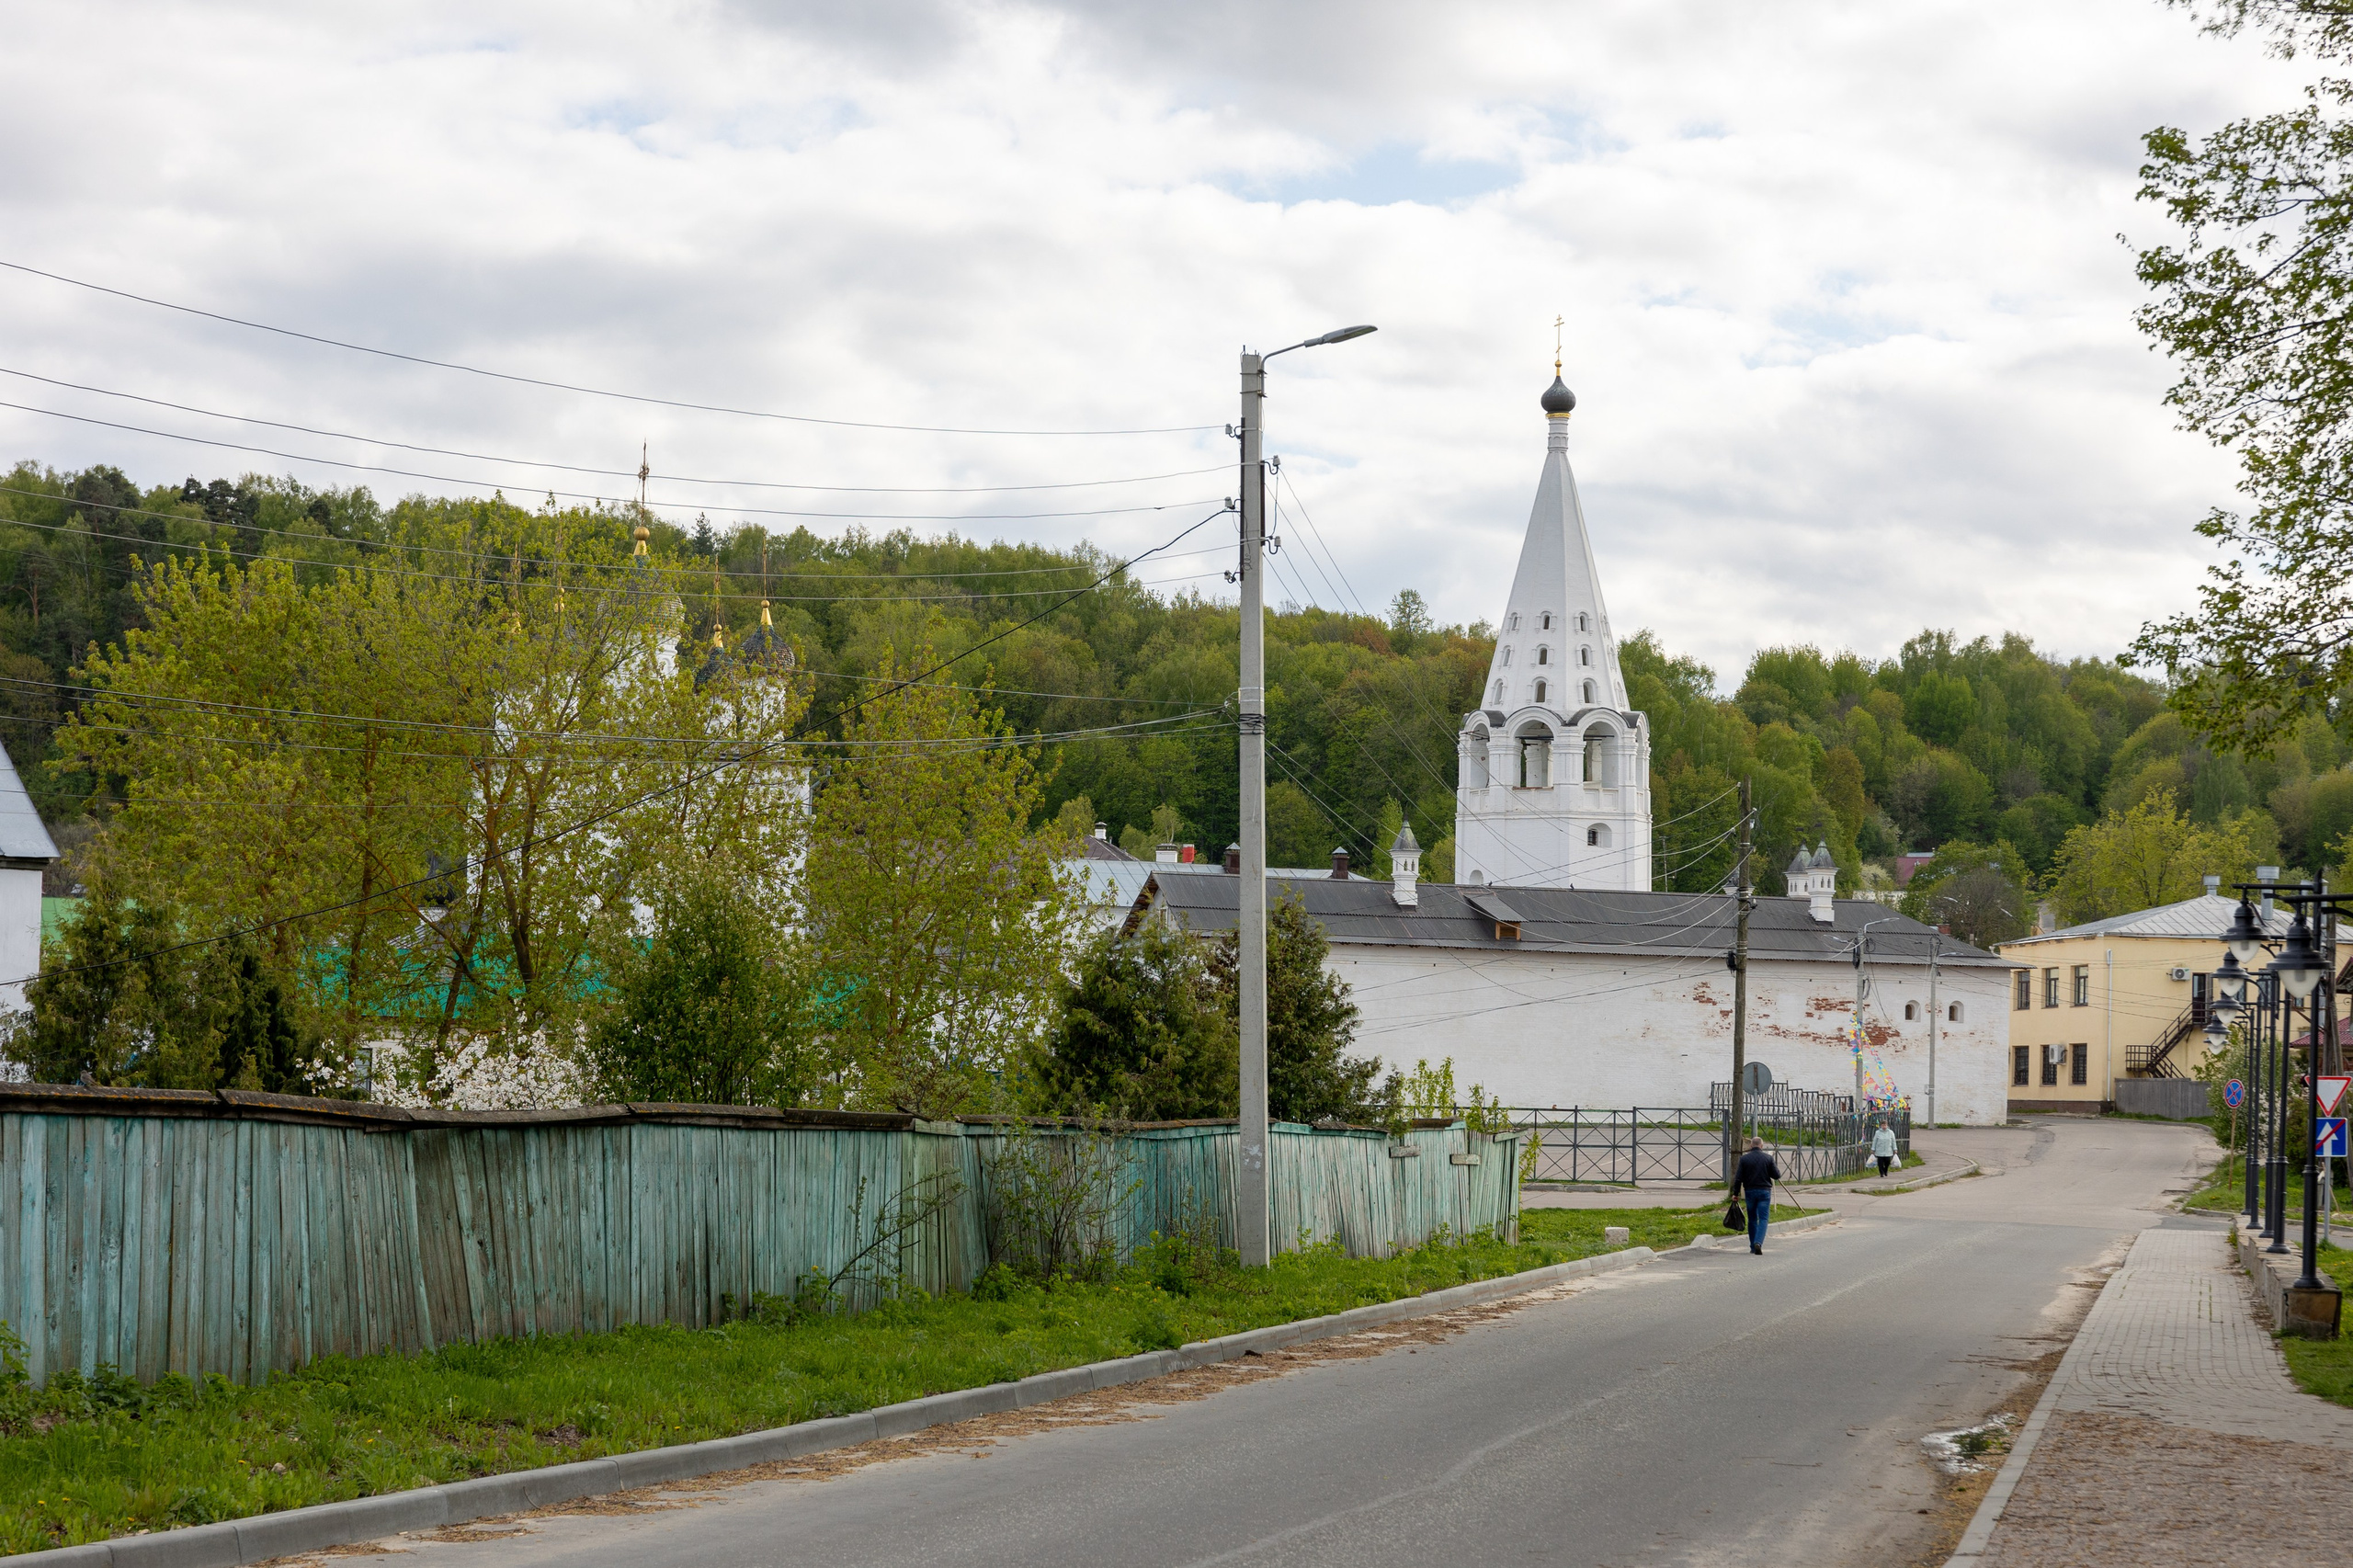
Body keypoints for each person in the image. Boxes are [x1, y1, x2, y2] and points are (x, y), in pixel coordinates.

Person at [1729, 1136, 1781, 1255]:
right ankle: (1758, 1242)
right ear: (1761, 1146)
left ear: (1751, 1146)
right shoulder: (1768, 1158)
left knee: (1752, 1219)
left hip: (1750, 1192)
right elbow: (1777, 1175)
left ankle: (1753, 1247)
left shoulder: (1744, 1159)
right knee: (1763, 1219)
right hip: (1764, 1192)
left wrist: (1735, 1193)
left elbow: (1738, 1178)